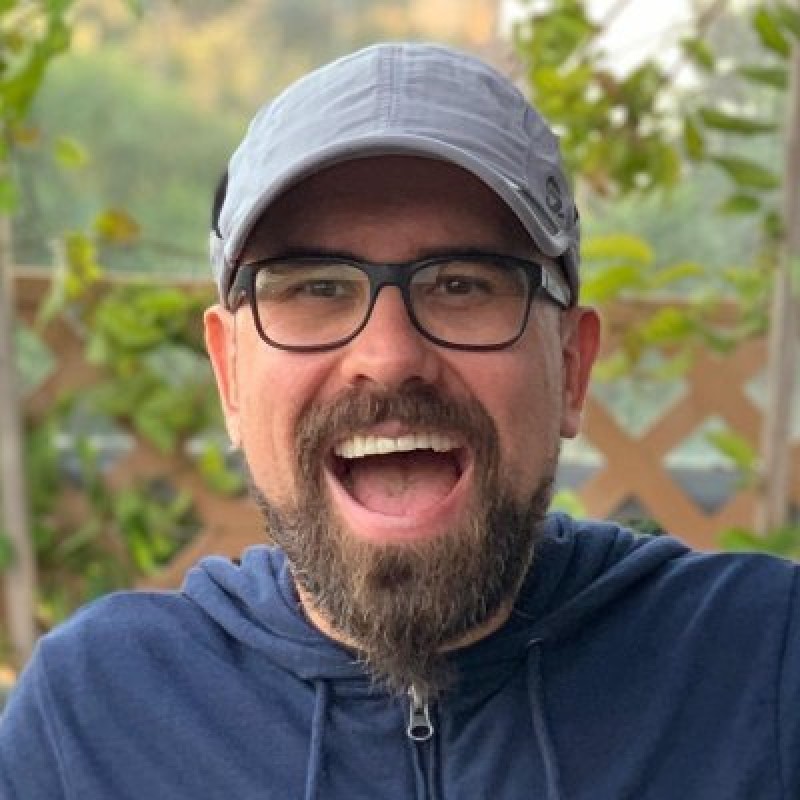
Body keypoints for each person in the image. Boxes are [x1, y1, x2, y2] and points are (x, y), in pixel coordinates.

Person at [1, 42, 798, 800]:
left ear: (572, 368)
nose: (388, 357)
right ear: (231, 375)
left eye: (463, 284)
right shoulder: (93, 721)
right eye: (314, 288)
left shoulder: (762, 668)